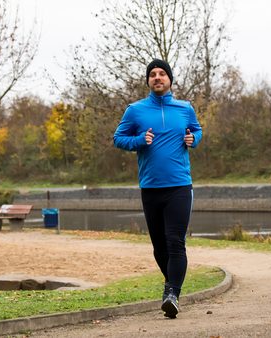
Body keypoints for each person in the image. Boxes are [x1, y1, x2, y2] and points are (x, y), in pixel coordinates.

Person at [113, 58, 203, 319]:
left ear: (170, 79)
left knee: (176, 242)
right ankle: (170, 287)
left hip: (179, 186)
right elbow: (118, 139)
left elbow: (196, 130)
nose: (157, 77)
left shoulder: (185, 108)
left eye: (162, 73)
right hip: (150, 187)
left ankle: (173, 293)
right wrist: (140, 140)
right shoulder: (135, 111)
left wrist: (193, 138)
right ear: (148, 81)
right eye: (152, 74)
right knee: (159, 246)